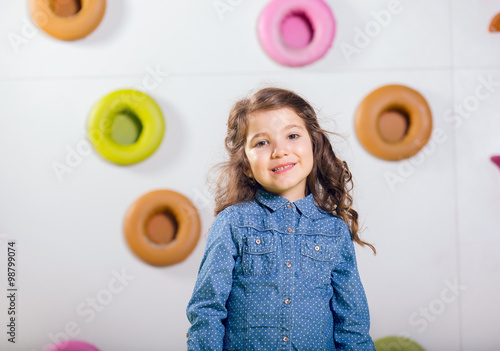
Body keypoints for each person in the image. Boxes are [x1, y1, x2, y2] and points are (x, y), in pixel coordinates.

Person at [186, 87, 376, 350]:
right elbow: (206, 310)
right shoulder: (232, 224)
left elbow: (352, 326)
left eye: (292, 135)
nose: (279, 151)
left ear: (314, 145)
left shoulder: (334, 231)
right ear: (245, 165)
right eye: (262, 142)